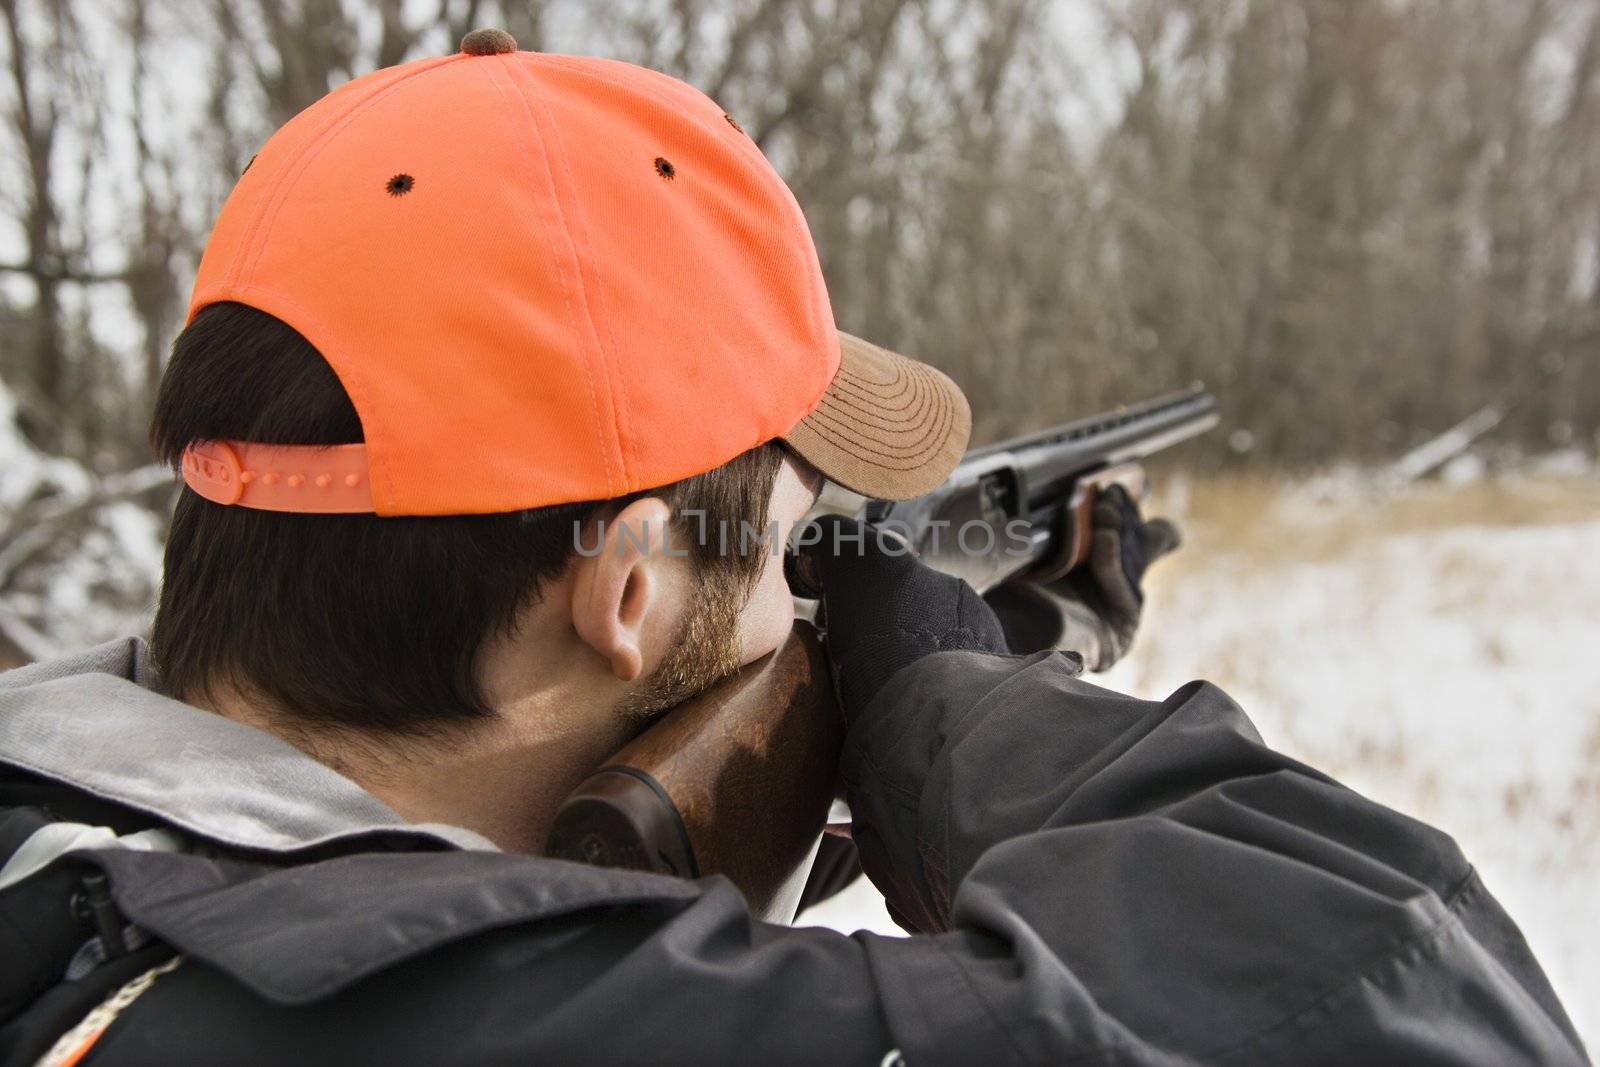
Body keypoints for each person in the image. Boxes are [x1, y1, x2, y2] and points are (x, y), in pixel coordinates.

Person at [0, 29, 1585, 1067]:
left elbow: (476, 889)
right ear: (624, 595)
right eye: (783, 548)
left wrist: (983, 656)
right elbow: (1411, 995)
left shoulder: (72, 881)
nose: (803, 596)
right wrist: (964, 723)